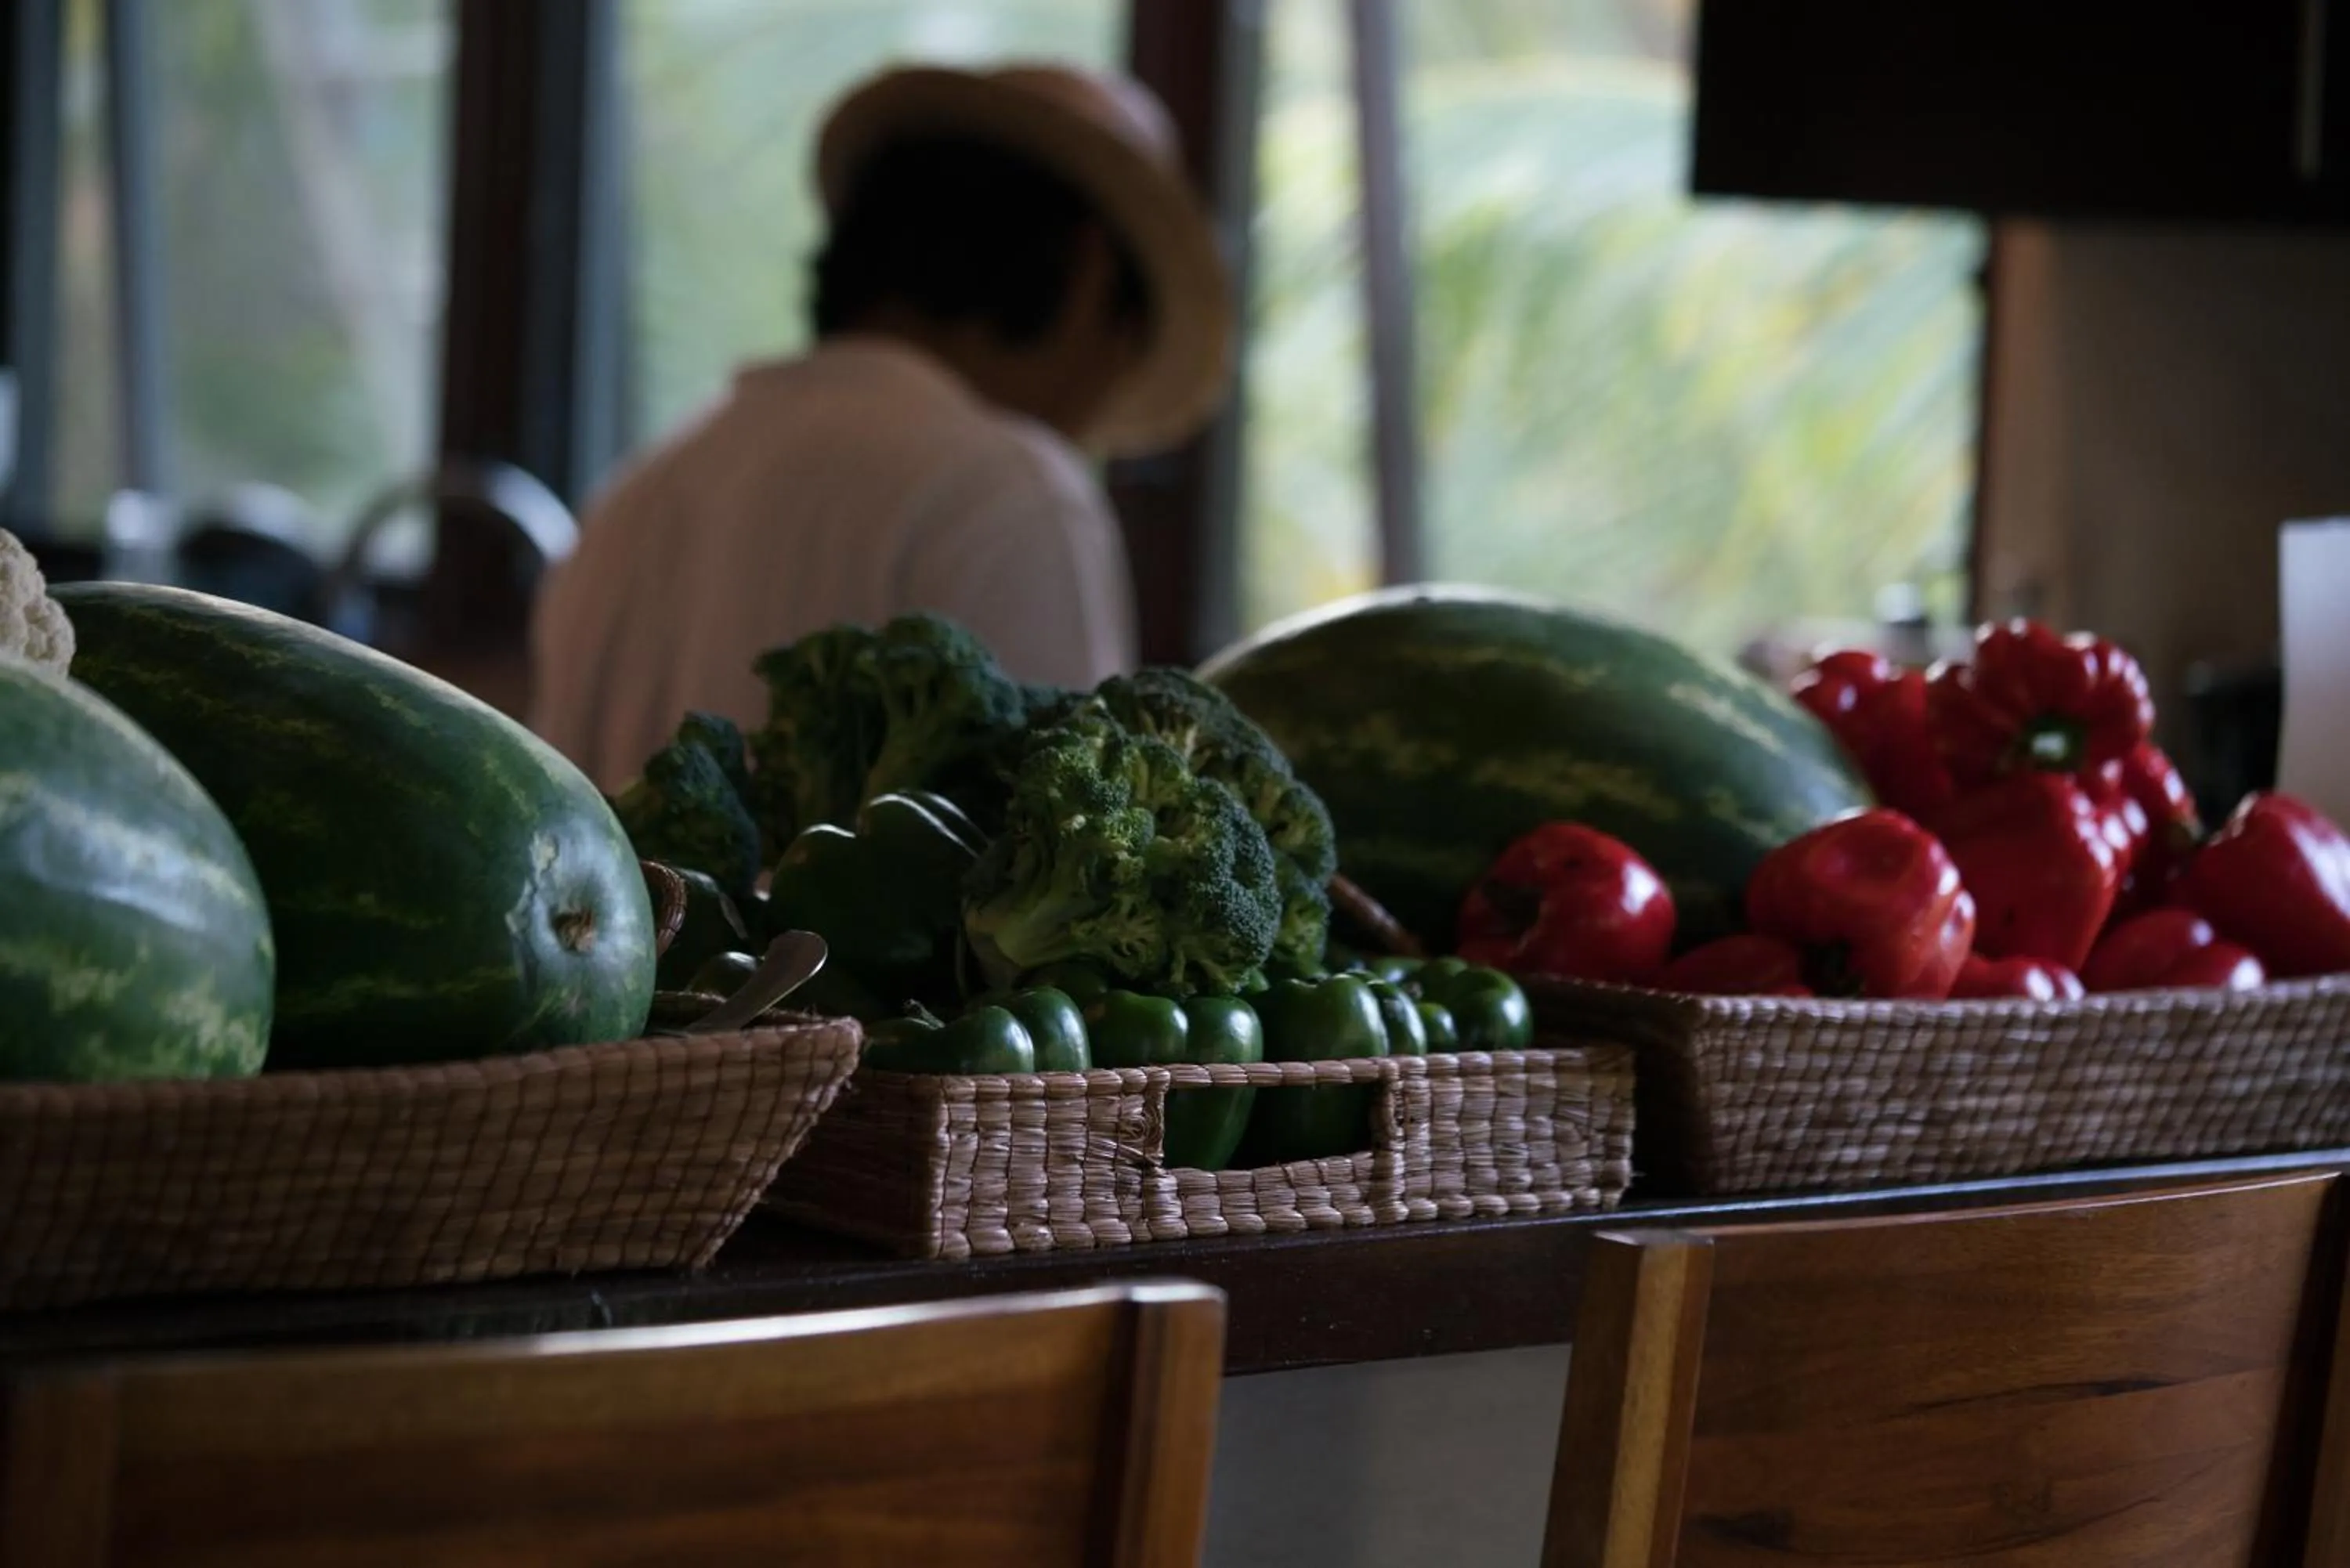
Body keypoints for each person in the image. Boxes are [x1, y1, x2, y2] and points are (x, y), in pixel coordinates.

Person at [530, 63, 1233, 789]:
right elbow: (1072, 852)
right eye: (1129, 339)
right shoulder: (1008, 491)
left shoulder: (634, 495)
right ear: (1090, 275)